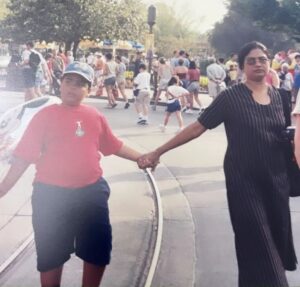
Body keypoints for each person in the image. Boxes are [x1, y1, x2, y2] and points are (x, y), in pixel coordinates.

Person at [138, 41, 298, 287]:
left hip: (277, 184)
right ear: (242, 67)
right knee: (261, 246)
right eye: (251, 60)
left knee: (270, 246)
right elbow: (196, 128)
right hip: (245, 184)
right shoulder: (230, 98)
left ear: (269, 63)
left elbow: (287, 137)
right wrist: (159, 151)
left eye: (262, 59)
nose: (258, 64)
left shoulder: (280, 97)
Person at [0, 61, 144, 287]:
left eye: (79, 84)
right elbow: (23, 159)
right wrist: (3, 189)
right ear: (61, 83)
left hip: (90, 193)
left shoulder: (94, 116)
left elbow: (113, 145)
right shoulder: (45, 116)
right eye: (68, 81)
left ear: (88, 90)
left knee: (98, 250)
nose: (72, 87)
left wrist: (141, 158)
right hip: (51, 197)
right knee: (50, 255)